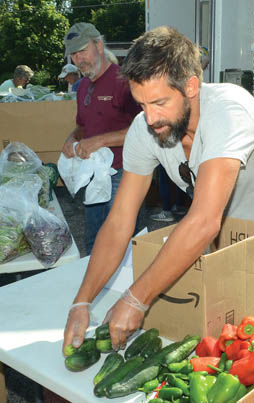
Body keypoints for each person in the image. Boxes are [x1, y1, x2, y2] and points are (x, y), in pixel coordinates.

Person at [63, 26, 254, 353]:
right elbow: (119, 222)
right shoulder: (144, 129)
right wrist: (82, 301)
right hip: (233, 224)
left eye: (159, 102)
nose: (150, 119)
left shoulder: (228, 111)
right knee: (240, 331)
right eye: (141, 104)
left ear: (191, 86)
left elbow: (203, 221)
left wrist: (136, 298)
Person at [60, 22, 144, 254]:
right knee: (94, 241)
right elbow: (82, 126)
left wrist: (98, 141)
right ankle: (95, 288)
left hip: (124, 174)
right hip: (93, 174)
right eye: (74, 55)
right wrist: (71, 139)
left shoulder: (124, 81)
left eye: (82, 51)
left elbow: (144, 130)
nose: (79, 59)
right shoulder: (83, 85)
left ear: (98, 45)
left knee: (122, 243)